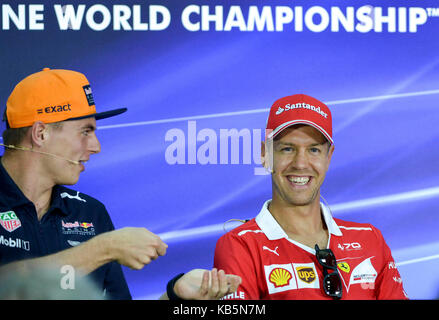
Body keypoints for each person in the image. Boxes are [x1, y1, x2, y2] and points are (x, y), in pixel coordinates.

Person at [0, 67, 241, 300]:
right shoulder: (105, 244)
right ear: (41, 133)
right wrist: (104, 249)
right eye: (85, 131)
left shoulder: (89, 213)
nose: (96, 146)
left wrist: (175, 296)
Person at [213, 94, 408, 300]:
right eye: (287, 149)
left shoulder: (370, 239)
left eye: (313, 150)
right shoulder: (240, 246)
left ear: (328, 157)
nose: (300, 163)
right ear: (265, 155)